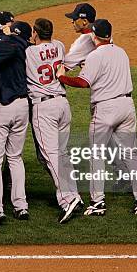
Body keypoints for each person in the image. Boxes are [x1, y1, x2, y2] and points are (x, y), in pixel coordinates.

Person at [58, 19, 137, 215]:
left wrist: (62, 77)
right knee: (130, 153)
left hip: (105, 109)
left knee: (97, 155)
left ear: (94, 36)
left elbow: (83, 82)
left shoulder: (95, 56)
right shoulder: (122, 52)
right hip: (127, 106)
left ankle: (97, 202)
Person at [25, 18, 83, 223]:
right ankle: (74, 193)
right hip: (62, 105)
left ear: (35, 33)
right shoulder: (58, 46)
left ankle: (68, 199)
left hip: (44, 109)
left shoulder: (28, 53)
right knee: (60, 153)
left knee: (51, 156)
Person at [0, 21, 32, 224]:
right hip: (23, 106)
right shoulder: (25, 47)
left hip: (3, 107)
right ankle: (21, 205)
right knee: (15, 158)